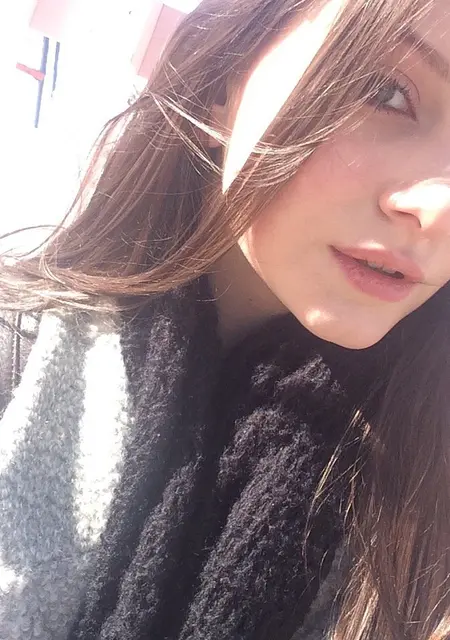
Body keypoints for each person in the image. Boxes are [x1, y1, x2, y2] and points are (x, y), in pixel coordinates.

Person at [0, 0, 449, 638]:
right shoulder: (20, 351)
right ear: (226, 76)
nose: (438, 211)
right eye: (385, 92)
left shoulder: (425, 497)